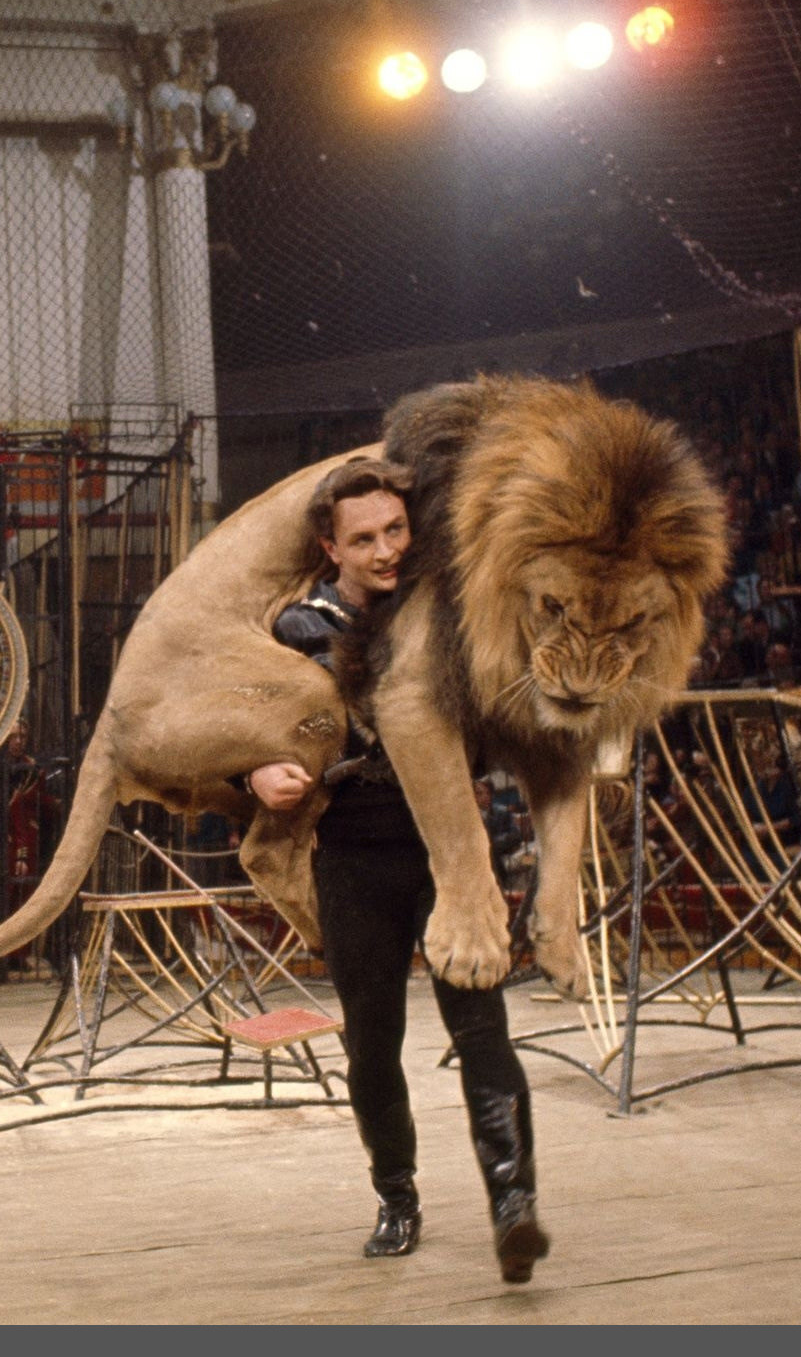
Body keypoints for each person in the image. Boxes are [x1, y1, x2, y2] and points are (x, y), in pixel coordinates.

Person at [245, 459, 548, 1283]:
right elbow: (248, 732)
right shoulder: (296, 628)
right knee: (373, 1044)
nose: (384, 550)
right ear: (328, 546)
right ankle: (397, 1196)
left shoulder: (449, 613)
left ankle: (514, 1204)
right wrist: (258, 776)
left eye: (396, 531)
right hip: (353, 853)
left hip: (448, 849)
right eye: (364, 538)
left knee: (482, 1027)